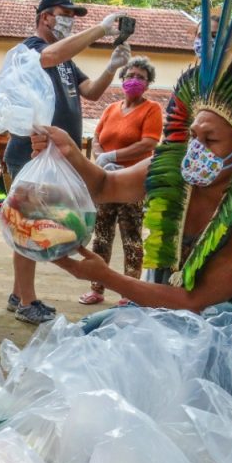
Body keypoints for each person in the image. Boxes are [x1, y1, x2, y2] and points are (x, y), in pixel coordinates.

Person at [28, 2, 232, 385]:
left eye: (210, 140)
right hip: (154, 307)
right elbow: (104, 185)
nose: (196, 148)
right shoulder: (172, 169)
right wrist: (68, 151)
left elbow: (195, 303)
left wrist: (106, 277)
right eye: (193, 135)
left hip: (217, 330)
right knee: (76, 345)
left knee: (183, 377)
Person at [3, 0, 132, 325]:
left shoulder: (66, 61)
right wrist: (101, 30)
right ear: (46, 17)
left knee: (30, 225)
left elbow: (90, 92)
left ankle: (19, 294)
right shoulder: (32, 49)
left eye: (75, 15)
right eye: (66, 14)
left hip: (57, 156)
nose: (71, 20)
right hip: (32, 152)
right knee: (28, 226)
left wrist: (112, 67)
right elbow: (48, 56)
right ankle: (27, 301)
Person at [79, 56, 163, 306]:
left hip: (133, 182)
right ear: (122, 79)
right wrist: (102, 158)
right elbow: (97, 137)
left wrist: (115, 155)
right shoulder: (111, 109)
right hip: (106, 181)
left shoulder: (152, 109)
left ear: (148, 85)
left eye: (141, 77)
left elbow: (149, 142)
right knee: (102, 236)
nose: (134, 80)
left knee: (131, 237)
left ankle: (131, 292)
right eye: (130, 76)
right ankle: (97, 288)